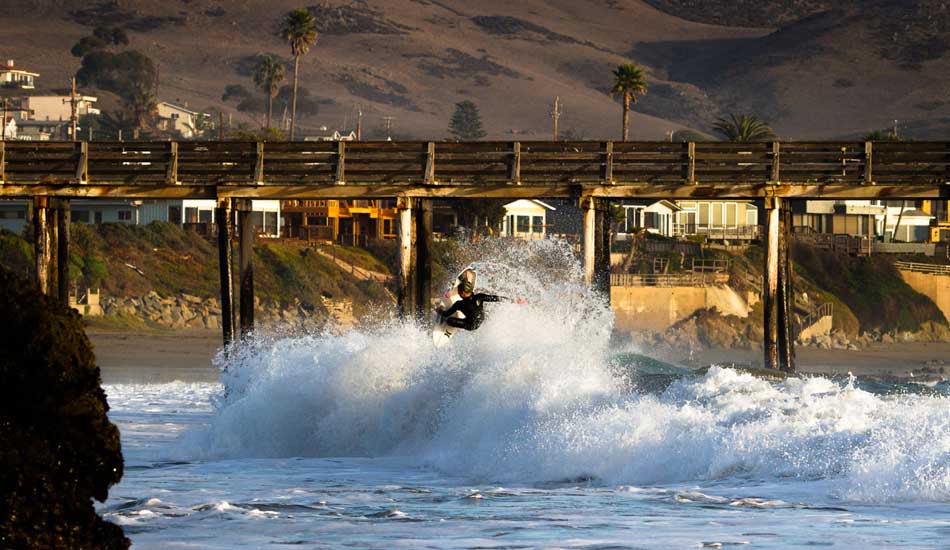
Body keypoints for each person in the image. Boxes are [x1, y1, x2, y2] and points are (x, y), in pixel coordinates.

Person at [436, 270, 523, 331]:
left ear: (462, 293)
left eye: (458, 291)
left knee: (449, 320)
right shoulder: (479, 297)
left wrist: (439, 311)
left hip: (471, 325)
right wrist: (513, 301)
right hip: (481, 319)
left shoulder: (459, 304)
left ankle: (455, 321)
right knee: (475, 311)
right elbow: (497, 298)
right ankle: (469, 279)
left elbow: (446, 314)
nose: (457, 292)